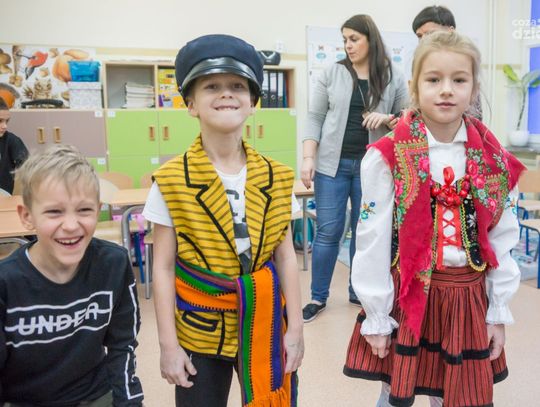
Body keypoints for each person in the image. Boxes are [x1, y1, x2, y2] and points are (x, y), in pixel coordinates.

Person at [343, 31, 525, 407]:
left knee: (458, 395)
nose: (446, 90)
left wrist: (497, 311)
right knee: (395, 391)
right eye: (433, 79)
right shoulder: (388, 155)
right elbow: (372, 238)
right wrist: (376, 314)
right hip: (409, 298)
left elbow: (502, 238)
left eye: (458, 80)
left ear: (474, 88)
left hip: (466, 300)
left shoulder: (492, 158)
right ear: (414, 86)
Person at [142, 34, 303, 407]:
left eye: (237, 86)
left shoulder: (277, 177)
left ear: (252, 103)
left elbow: (286, 257)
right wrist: (168, 346)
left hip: (265, 323)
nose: (226, 93)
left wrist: (295, 327)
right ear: (191, 105)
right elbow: (162, 268)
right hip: (201, 328)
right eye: (212, 86)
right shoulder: (171, 180)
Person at [0, 144, 144, 406]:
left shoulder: (113, 263)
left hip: (94, 394)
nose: (70, 225)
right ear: (27, 216)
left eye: (84, 210)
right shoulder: (6, 282)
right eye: (54, 212)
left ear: (98, 209)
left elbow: (122, 345)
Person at [301, 14, 409, 323]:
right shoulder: (331, 72)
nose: (348, 45)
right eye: (345, 40)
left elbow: (408, 119)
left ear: (370, 40)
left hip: (373, 168)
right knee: (328, 231)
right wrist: (308, 158)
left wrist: (387, 118)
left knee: (365, 232)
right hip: (331, 167)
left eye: (354, 39)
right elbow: (315, 117)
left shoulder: (392, 75)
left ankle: (357, 290)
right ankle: (318, 297)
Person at [412, 5, 483, 121]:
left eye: (459, 80)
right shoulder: (419, 63)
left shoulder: (467, 60)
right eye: (433, 79)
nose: (424, 40)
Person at [0, 97, 28, 194]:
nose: (5, 126)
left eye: (6, 121)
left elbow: (28, 169)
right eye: (0, 121)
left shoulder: (12, 141)